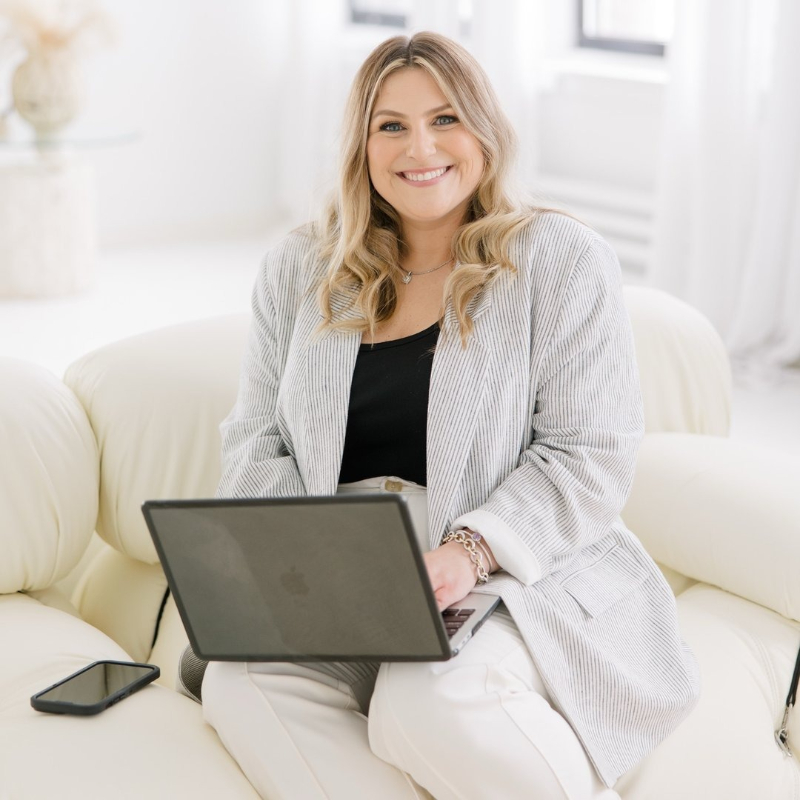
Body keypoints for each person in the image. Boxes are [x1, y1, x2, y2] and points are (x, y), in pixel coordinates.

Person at [199, 30, 701, 800]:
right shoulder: (301, 266)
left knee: (422, 702)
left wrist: (469, 550)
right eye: (390, 125)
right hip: (348, 571)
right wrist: (303, 559)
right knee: (238, 684)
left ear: (485, 132)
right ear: (361, 145)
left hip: (515, 568)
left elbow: (589, 455)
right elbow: (255, 438)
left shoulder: (559, 258)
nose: (419, 147)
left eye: (445, 119)